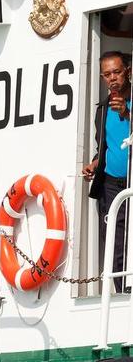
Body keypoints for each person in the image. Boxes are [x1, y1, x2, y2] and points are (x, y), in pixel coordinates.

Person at [82, 51, 132, 292]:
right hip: (112, 185)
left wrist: (126, 113)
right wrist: (94, 162)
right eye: (107, 74)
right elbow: (103, 143)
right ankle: (123, 292)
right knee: (115, 242)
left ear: (128, 72)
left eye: (117, 72)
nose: (112, 78)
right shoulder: (102, 108)